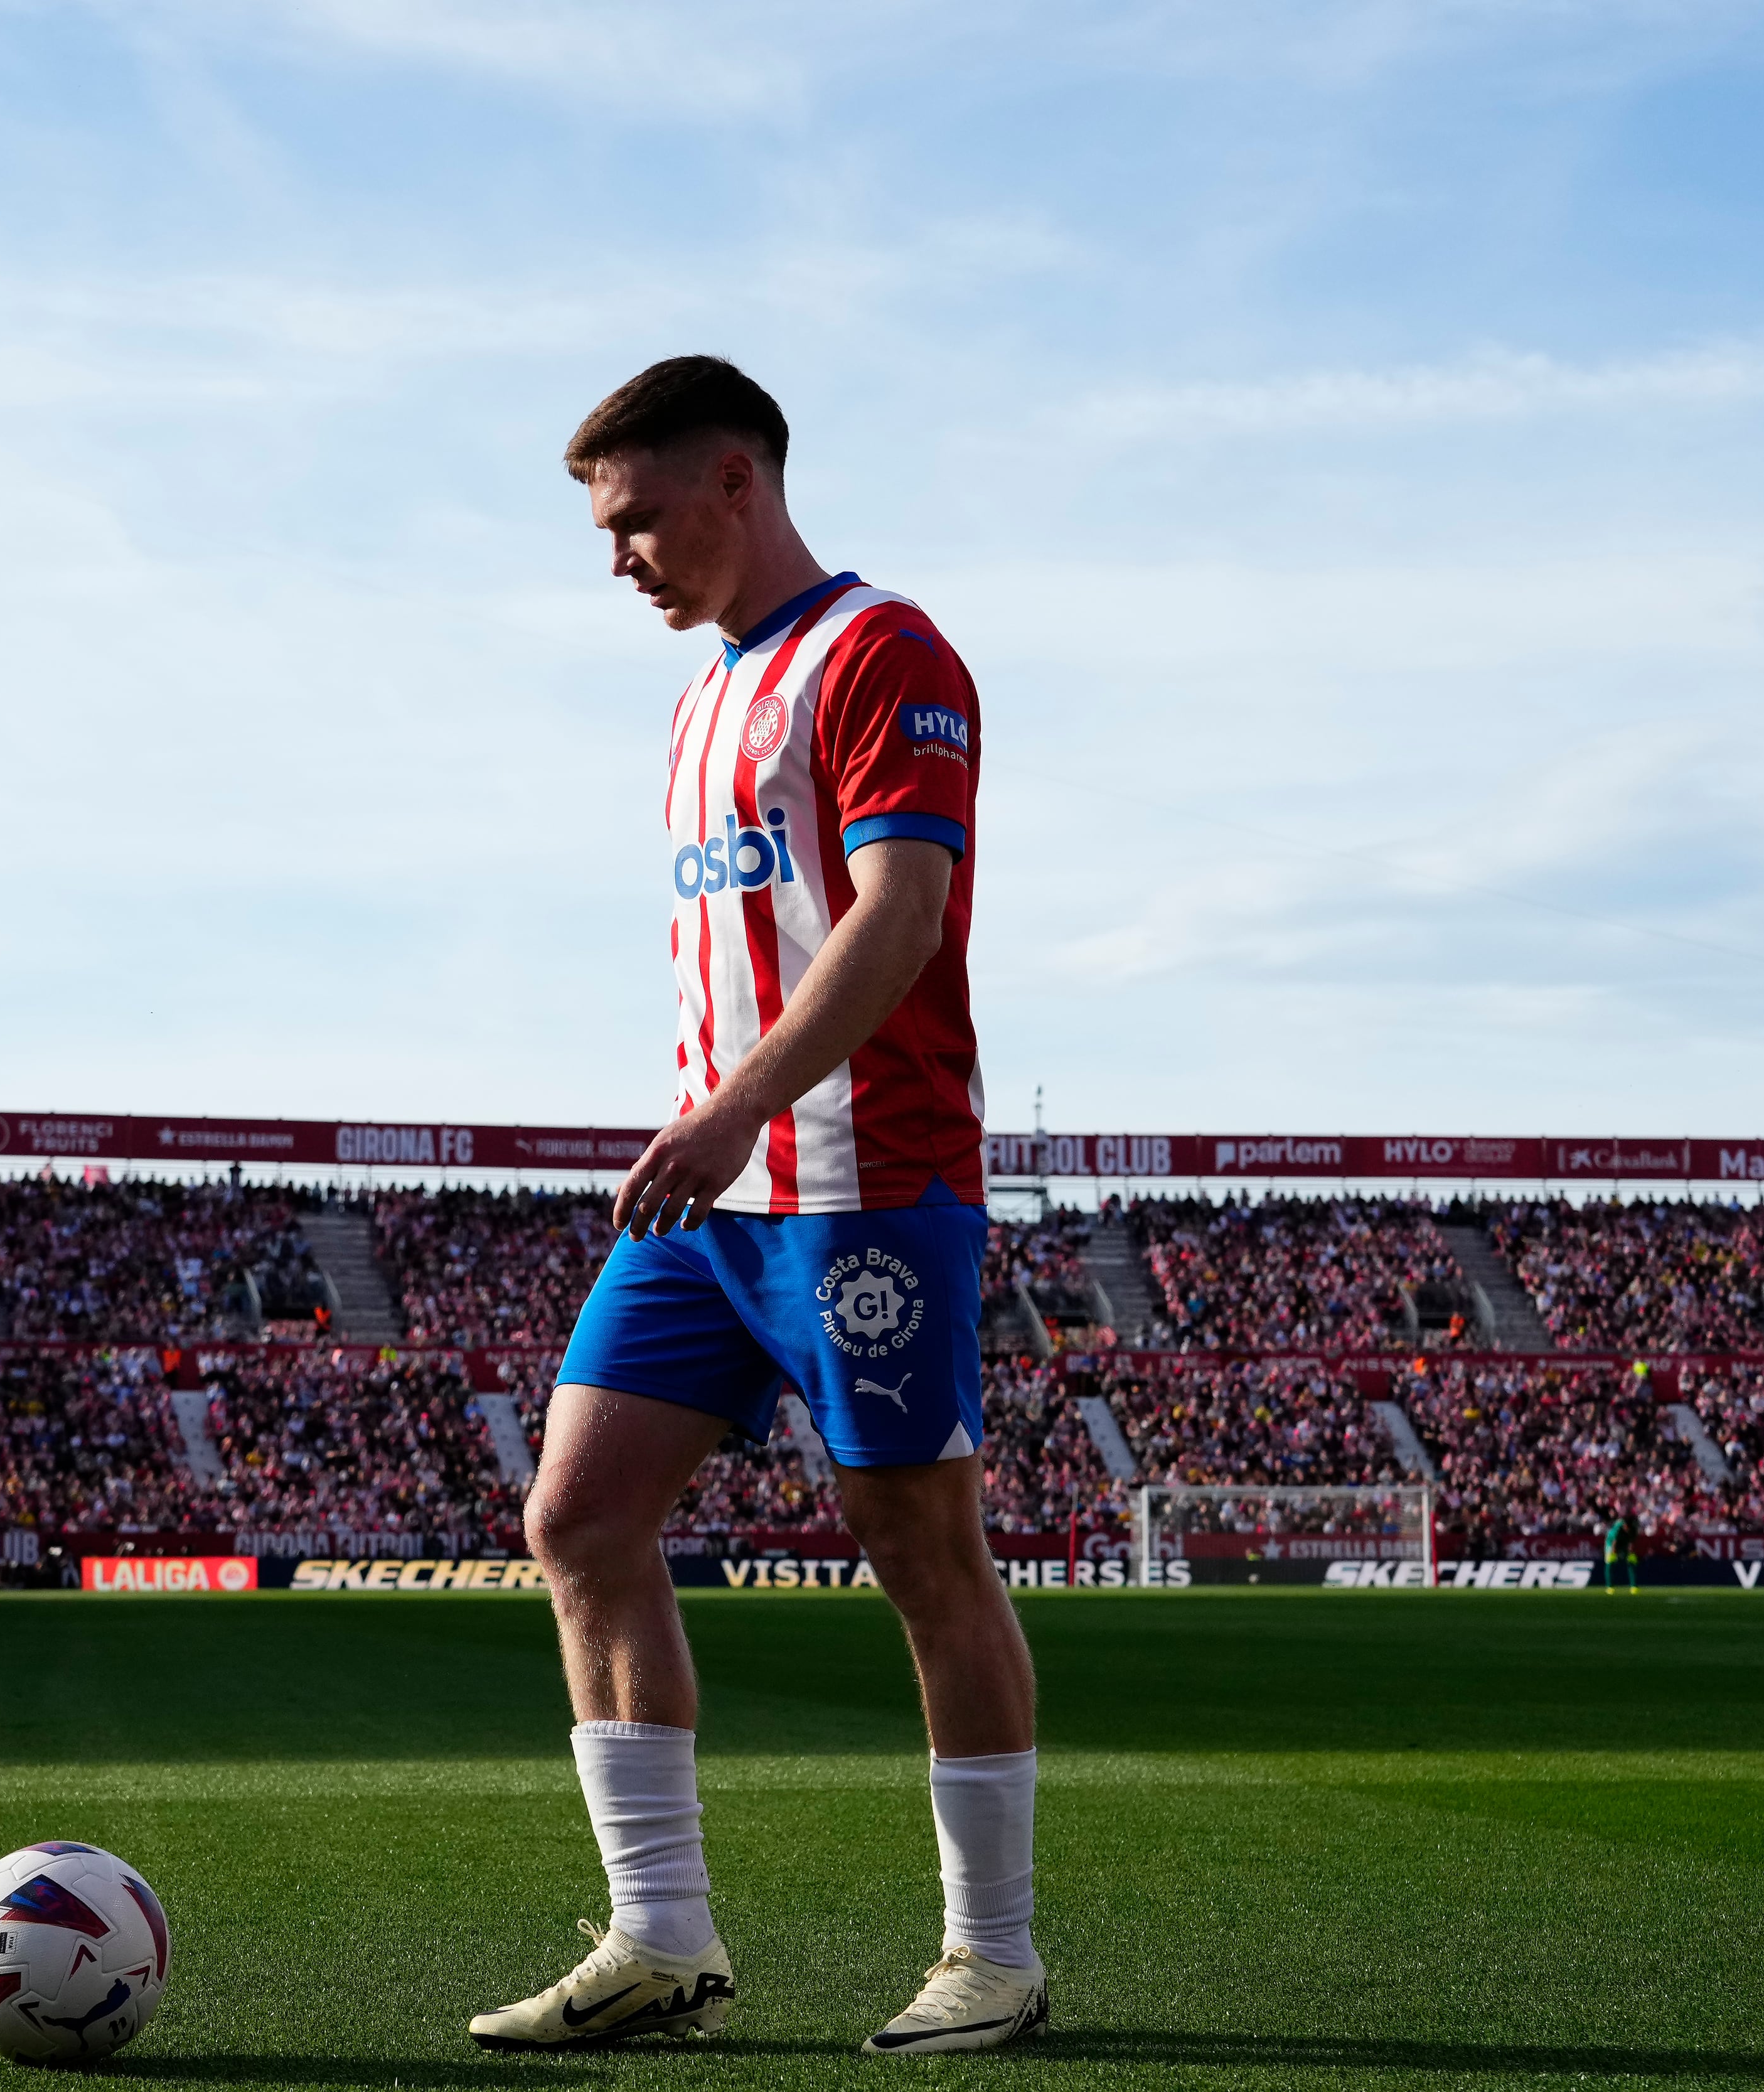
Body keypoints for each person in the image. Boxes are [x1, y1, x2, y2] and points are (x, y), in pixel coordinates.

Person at [467, 358, 1043, 2059]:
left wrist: (729, 1109)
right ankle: (660, 1939)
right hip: (715, 1202)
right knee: (576, 1515)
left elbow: (901, 916)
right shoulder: (698, 703)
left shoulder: (885, 652)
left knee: (922, 1554)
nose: (621, 557)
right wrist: (716, 1126)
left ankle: (993, 1953)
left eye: (637, 518)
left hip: (867, 1189)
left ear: (736, 480)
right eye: (604, 531)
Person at [1602, 1510, 1638, 1594]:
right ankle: (1609, 1587)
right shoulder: (1618, 1529)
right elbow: (1614, 1543)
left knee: (1632, 1561)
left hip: (1624, 1543)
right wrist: (1614, 1554)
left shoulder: (1633, 1528)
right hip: (1611, 1543)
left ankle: (1634, 1586)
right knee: (1610, 1563)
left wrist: (1629, 1553)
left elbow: (1631, 1543)